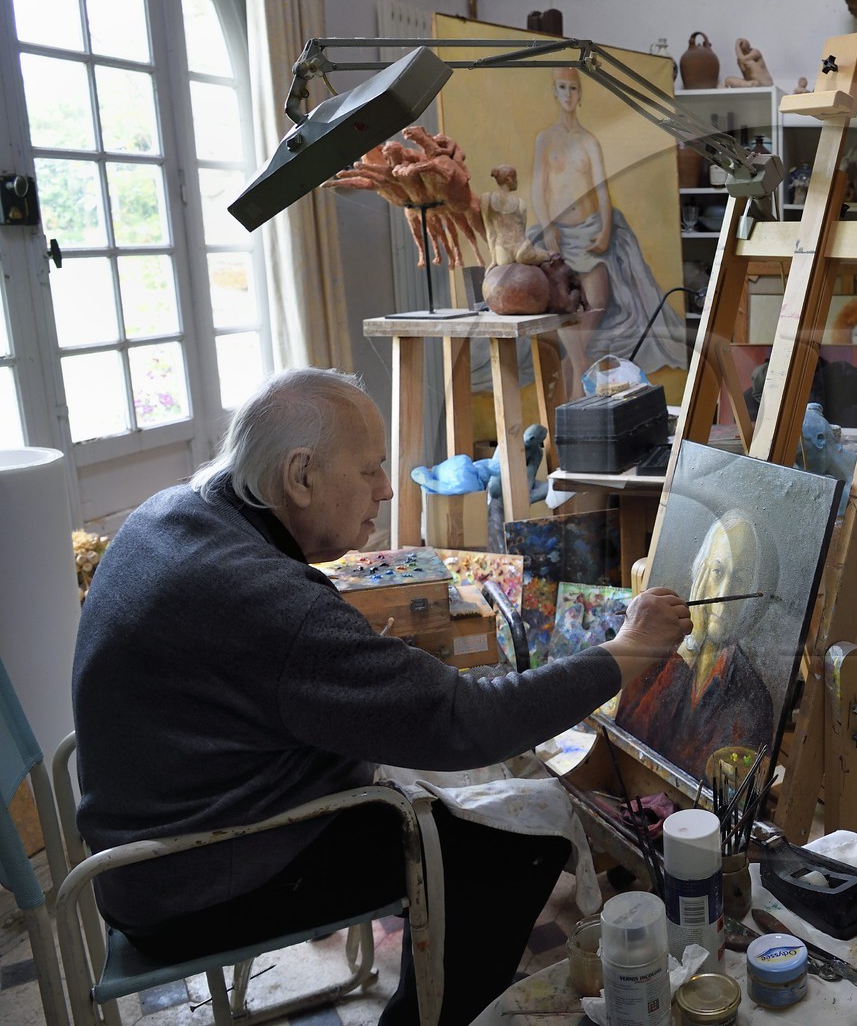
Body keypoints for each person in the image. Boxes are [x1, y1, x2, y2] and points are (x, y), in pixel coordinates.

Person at [71, 368, 691, 1026]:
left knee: (447, 786)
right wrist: (629, 651)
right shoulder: (267, 601)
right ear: (301, 475)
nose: (387, 488)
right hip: (193, 884)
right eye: (369, 470)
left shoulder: (175, 511)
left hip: (142, 847)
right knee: (517, 841)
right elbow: (467, 724)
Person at [529, 67, 685, 390]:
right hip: (560, 237)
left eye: (574, 88)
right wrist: (547, 227)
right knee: (562, 303)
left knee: (596, 301)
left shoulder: (589, 141)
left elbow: (601, 190)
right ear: (554, 92)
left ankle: (574, 364)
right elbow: (537, 190)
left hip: (590, 233)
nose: (569, 94)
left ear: (580, 94)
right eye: (563, 87)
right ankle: (580, 375)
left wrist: (604, 231)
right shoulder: (545, 139)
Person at [614, 508, 776, 775]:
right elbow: (632, 739)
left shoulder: (752, 697)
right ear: (699, 575)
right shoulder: (657, 655)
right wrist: (692, 642)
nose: (724, 594)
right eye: (717, 572)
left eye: (739, 578)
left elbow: (716, 780)